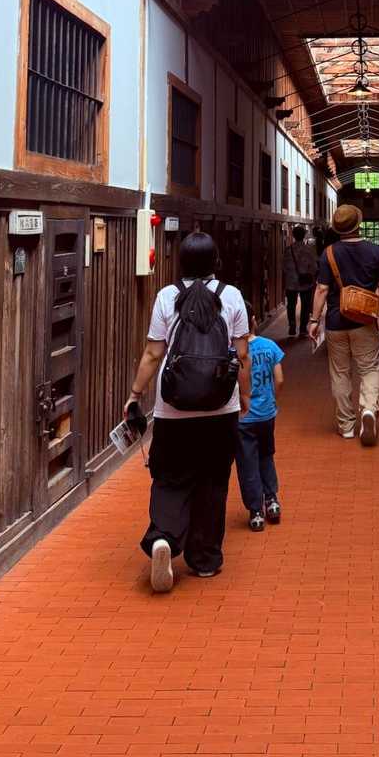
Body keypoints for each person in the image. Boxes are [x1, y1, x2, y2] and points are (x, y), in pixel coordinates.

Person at [124, 232, 251, 594]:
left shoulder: (167, 296)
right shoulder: (231, 296)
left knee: (169, 477)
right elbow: (242, 355)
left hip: (173, 411)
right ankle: (205, 559)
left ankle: (163, 538)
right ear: (215, 261)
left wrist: (135, 394)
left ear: (181, 262)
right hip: (220, 408)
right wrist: (244, 395)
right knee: (213, 481)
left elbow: (153, 354)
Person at [307, 203, 379, 445]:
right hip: (364, 320)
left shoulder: (329, 253)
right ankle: (368, 408)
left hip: (336, 322)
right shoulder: (374, 251)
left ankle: (346, 426)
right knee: (370, 368)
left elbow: (322, 289)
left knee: (340, 373)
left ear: (337, 228)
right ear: (359, 225)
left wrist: (314, 320)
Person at [234, 303, 284, 532]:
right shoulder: (270, 346)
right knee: (266, 455)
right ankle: (272, 500)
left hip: (243, 417)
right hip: (266, 414)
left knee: (247, 463)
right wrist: (272, 400)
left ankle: (255, 511)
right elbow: (279, 379)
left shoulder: (233, 351)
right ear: (254, 320)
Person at [282, 224, 319, 338]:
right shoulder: (309, 250)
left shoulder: (288, 250)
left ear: (293, 235)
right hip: (305, 282)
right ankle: (303, 329)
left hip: (291, 282)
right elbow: (314, 267)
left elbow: (284, 267)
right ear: (304, 235)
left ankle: (292, 325)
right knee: (305, 306)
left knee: (291, 305)